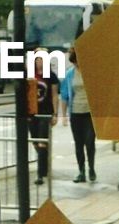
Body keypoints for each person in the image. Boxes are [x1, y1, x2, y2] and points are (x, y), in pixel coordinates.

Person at [59, 48, 97, 183]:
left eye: (77, 61)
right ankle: (81, 171)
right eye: (73, 62)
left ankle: (92, 168)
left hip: (90, 113)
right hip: (76, 113)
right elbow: (64, 96)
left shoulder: (91, 73)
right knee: (79, 144)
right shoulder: (69, 74)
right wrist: (63, 116)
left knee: (90, 141)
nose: (76, 64)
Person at [25, 43, 59, 187]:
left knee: (41, 142)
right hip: (32, 113)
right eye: (38, 58)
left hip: (45, 113)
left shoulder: (50, 76)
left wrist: (55, 113)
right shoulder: (29, 75)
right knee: (35, 142)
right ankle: (44, 166)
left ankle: (40, 174)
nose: (40, 61)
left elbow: (54, 95)